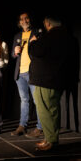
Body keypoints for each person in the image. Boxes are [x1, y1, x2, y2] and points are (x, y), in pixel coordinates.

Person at [28, 16, 73, 151]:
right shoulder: (67, 37)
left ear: (48, 23)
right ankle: (50, 138)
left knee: (45, 110)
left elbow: (37, 51)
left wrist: (33, 42)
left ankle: (51, 140)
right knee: (53, 110)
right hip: (57, 79)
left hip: (45, 80)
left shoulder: (49, 36)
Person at [10, 12, 42, 137]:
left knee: (37, 100)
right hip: (20, 73)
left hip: (32, 71)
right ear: (19, 22)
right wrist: (15, 52)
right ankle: (22, 126)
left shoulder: (37, 33)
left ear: (30, 19)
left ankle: (40, 127)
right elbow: (13, 55)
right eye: (22, 19)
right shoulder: (17, 36)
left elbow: (42, 50)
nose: (24, 20)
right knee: (24, 100)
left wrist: (36, 42)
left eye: (26, 18)